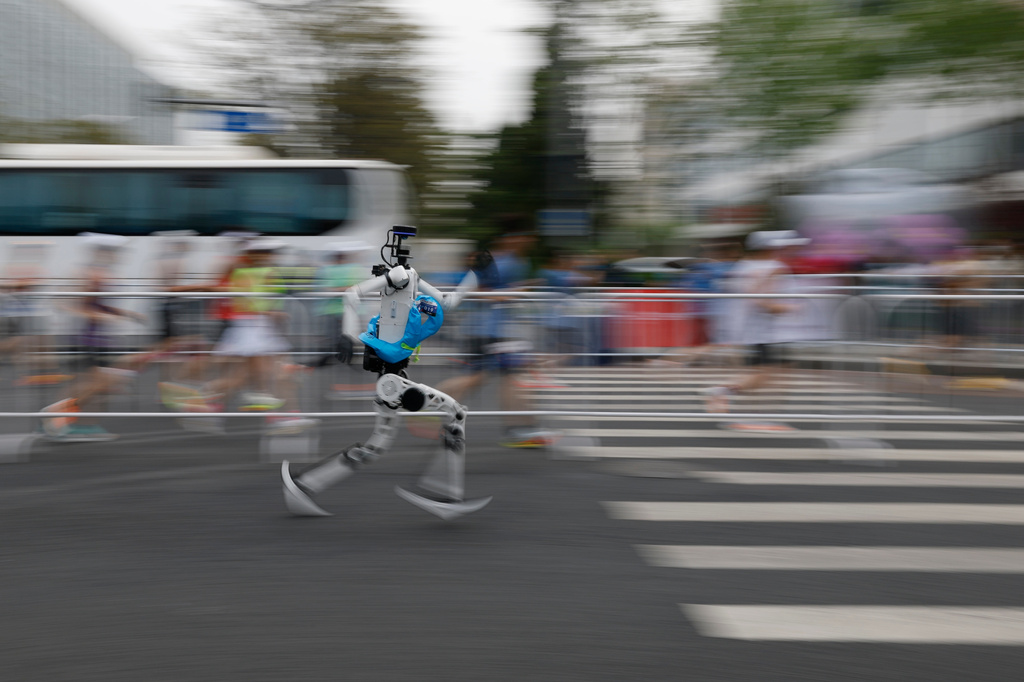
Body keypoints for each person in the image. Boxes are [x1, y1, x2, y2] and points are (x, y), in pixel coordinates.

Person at [430, 218, 555, 448]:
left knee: (493, 377)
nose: (532, 241)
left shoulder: (514, 261)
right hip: (487, 330)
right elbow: (475, 291)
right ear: (513, 238)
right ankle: (519, 429)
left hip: (495, 330)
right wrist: (511, 294)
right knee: (501, 377)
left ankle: (520, 429)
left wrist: (519, 289)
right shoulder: (497, 260)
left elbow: (497, 289)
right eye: (528, 236)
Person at [41, 233, 148, 441]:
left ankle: (81, 424)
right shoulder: (90, 274)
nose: (118, 256)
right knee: (99, 384)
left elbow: (96, 304)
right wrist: (98, 316)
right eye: (114, 252)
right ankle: (56, 416)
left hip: (98, 339)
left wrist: (126, 314)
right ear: (102, 252)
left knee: (96, 384)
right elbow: (68, 304)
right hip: (88, 339)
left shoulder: (99, 273)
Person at [703, 229, 810, 433]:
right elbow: (761, 301)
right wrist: (791, 308)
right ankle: (735, 401)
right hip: (767, 331)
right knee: (771, 374)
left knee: (771, 373)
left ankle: (735, 400)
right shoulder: (773, 267)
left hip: (756, 331)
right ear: (771, 247)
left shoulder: (744, 266)